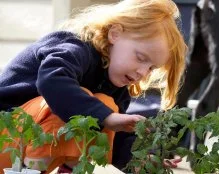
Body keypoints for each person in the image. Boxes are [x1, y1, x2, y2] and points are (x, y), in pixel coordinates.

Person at [0, 0, 187, 172]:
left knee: (101, 110)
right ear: (115, 34)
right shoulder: (74, 47)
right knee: (83, 106)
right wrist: (106, 116)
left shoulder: (117, 89)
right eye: (140, 58)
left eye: (151, 68)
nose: (142, 72)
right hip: (5, 136)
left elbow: (114, 138)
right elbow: (52, 82)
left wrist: (143, 161)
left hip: (24, 149)